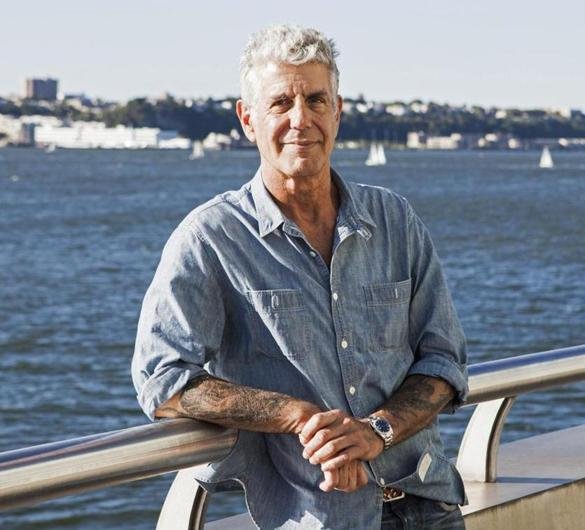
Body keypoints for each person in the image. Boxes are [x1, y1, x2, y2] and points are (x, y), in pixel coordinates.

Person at [132, 24, 468, 530]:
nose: (300, 119)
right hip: (320, 518)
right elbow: (164, 379)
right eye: (280, 103)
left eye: (315, 100)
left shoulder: (395, 220)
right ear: (248, 119)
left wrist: (376, 431)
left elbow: (444, 359)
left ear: (338, 112)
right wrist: (296, 415)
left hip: (430, 506)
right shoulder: (210, 239)